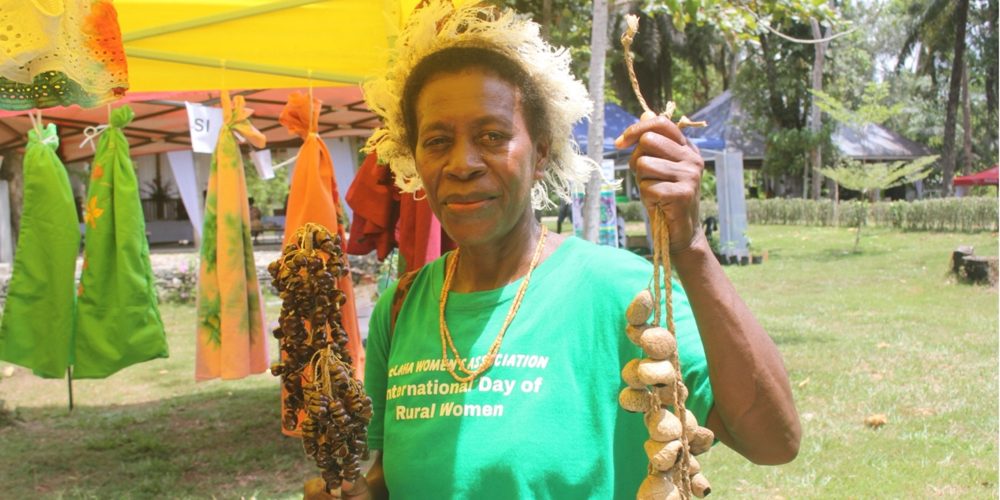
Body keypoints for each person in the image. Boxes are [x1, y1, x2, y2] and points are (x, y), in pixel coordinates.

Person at [336, 3, 800, 499]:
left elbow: (774, 440)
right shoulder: (401, 308)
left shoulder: (620, 293)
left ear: (540, 153)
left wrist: (690, 245)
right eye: (437, 140)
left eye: (492, 136)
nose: (463, 163)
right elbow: (391, 475)